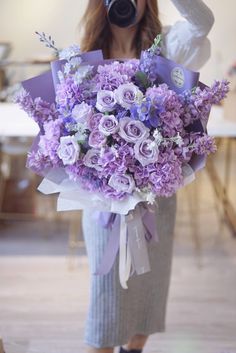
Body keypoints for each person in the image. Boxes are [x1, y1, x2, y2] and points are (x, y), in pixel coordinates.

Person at [80, 1, 214, 352]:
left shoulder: (169, 46)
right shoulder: (86, 56)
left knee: (148, 293)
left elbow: (203, 22)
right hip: (103, 203)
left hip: (157, 198)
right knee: (106, 297)